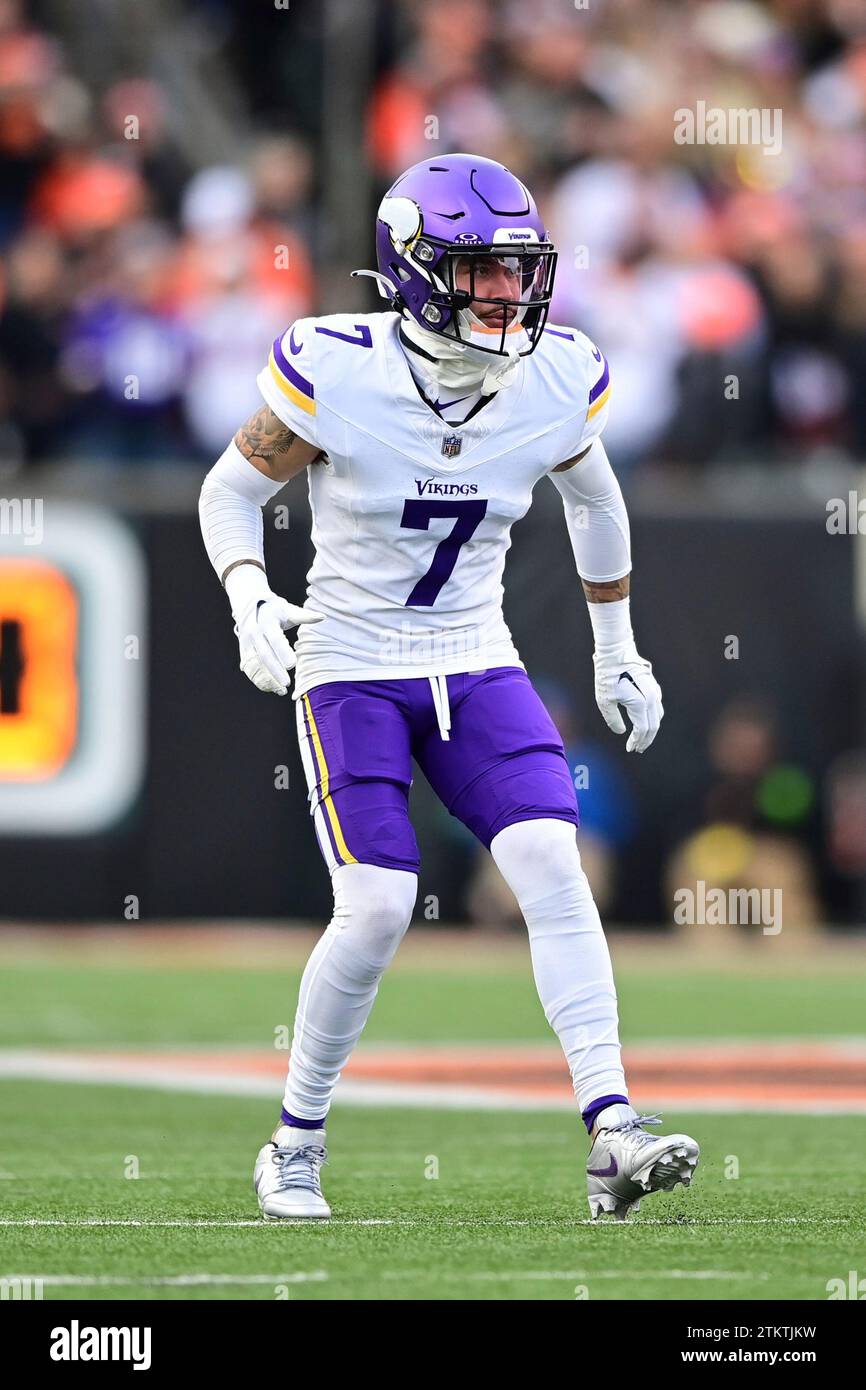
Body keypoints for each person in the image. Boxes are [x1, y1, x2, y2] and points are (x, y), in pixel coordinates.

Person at [198, 153, 699, 1222]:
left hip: (475, 654)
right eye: (480, 270)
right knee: (377, 903)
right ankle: (293, 1141)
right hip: (351, 662)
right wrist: (249, 598)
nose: (507, 294)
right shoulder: (339, 369)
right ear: (415, 267)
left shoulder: (555, 375)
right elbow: (228, 491)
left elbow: (595, 504)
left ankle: (611, 1129)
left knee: (552, 865)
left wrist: (617, 648)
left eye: (518, 271)